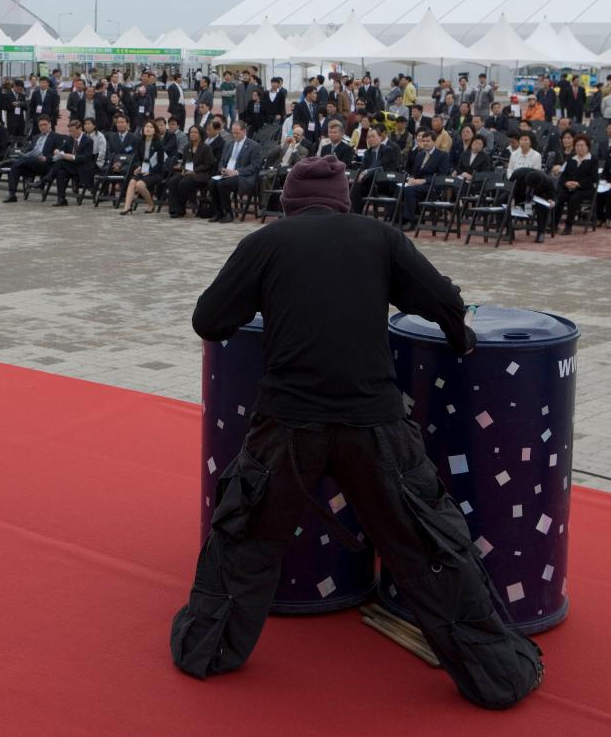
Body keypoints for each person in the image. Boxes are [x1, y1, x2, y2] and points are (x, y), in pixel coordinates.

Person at [170, 153, 543, 709]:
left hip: (288, 425)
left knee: (245, 536)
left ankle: (206, 650)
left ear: (289, 200)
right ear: (345, 198)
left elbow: (210, 320)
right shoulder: (379, 237)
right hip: (375, 423)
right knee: (427, 546)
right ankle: (497, 674)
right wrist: (458, 334)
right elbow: (444, 299)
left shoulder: (266, 243)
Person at [209, 121, 262, 223]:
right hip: (227, 174)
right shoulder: (229, 144)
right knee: (211, 183)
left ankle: (228, 213)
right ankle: (219, 212)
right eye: (233, 133)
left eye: (237, 133)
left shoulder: (253, 146)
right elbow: (222, 161)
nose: (235, 135)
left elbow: (255, 166)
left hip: (243, 177)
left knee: (222, 184)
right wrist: (222, 170)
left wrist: (237, 172)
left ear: (244, 131)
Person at [3, 115, 61, 202]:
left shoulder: (56, 137)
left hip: (44, 164)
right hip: (31, 163)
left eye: (45, 125)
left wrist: (46, 158)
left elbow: (58, 154)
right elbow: (28, 150)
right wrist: (24, 154)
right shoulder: (36, 137)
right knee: (15, 167)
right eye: (40, 125)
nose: (42, 127)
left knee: (22, 161)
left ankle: (11, 161)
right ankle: (12, 195)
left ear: (50, 124)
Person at [401, 129, 448, 227]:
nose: (425, 143)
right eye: (424, 141)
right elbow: (414, 173)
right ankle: (397, 218)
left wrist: (424, 180)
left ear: (434, 141)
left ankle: (409, 221)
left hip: (432, 186)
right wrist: (411, 178)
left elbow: (442, 176)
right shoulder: (420, 155)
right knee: (400, 188)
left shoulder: (442, 155)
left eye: (428, 141)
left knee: (410, 190)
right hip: (418, 185)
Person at [168, 124, 216, 218]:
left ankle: (185, 205)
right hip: (187, 172)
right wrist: (183, 169)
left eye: (195, 132)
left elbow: (208, 164)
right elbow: (185, 162)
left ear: (200, 134)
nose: (193, 134)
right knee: (173, 181)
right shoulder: (187, 147)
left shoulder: (206, 148)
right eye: (191, 132)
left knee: (184, 182)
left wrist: (194, 171)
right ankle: (175, 209)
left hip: (201, 174)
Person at [46, 119, 94, 206]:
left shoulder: (88, 141)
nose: (71, 133)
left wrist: (73, 157)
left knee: (60, 162)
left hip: (82, 168)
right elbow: (62, 148)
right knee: (60, 172)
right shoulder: (70, 139)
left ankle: (45, 180)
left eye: (73, 131)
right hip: (70, 167)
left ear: (80, 129)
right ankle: (62, 199)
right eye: (70, 131)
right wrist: (57, 150)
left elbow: (86, 158)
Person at [121, 119, 165, 214]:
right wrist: (138, 167)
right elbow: (137, 159)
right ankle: (127, 207)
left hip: (155, 172)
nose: (148, 129)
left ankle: (150, 204)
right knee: (132, 181)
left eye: (151, 127)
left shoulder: (158, 144)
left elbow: (161, 163)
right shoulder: (140, 142)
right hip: (143, 169)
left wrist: (151, 171)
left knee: (139, 185)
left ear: (155, 130)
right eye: (146, 127)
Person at [557, 135, 597, 234]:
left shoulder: (592, 160)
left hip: (585, 189)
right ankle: (554, 224)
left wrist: (578, 184)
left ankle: (568, 226)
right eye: (577, 146)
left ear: (587, 147)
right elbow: (563, 175)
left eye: (582, 145)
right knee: (560, 197)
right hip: (569, 187)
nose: (579, 148)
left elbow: (593, 178)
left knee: (574, 199)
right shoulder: (571, 159)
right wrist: (567, 182)